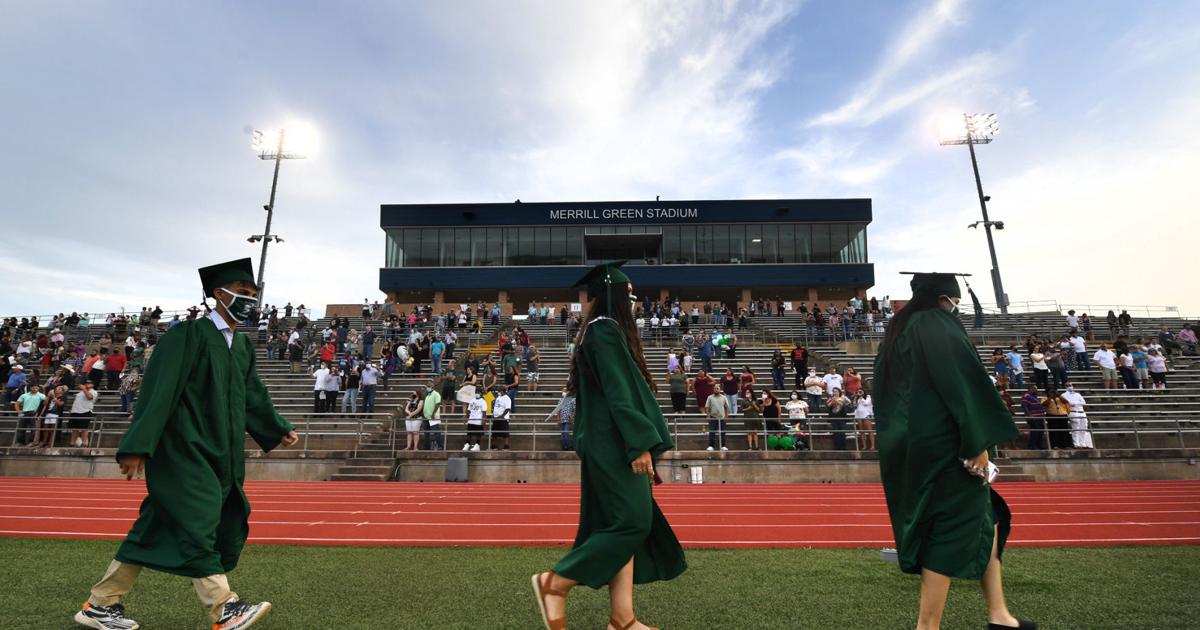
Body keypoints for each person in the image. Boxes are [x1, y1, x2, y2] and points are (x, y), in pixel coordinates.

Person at [75, 259, 297, 630]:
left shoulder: (241, 347)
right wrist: (138, 445)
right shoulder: (186, 336)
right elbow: (159, 391)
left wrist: (276, 428)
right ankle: (223, 606)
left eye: (253, 296)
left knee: (157, 524)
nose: (250, 302)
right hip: (181, 446)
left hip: (221, 450)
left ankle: (100, 604)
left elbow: (252, 396)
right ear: (218, 294)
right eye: (243, 294)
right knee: (199, 517)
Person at [873, 272, 1034, 630]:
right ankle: (926, 626)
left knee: (987, 518)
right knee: (948, 528)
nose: (956, 306)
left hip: (915, 443)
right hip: (945, 444)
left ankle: (1000, 614)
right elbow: (959, 380)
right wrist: (976, 441)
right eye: (955, 300)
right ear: (945, 296)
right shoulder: (934, 322)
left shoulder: (900, 330)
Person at [533, 262, 686, 630]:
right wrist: (638, 443)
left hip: (610, 440)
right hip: (615, 442)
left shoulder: (602, 332)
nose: (633, 298)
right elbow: (620, 392)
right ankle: (555, 583)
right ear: (613, 294)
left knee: (622, 522)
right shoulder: (604, 331)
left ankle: (622, 619)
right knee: (633, 522)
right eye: (628, 292)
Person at [1060, 382, 1093, 448]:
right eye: (1068, 385)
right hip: (1073, 412)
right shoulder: (1063, 395)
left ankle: (1082, 443)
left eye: (1070, 385)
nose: (1069, 386)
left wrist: (1075, 403)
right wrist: (1077, 403)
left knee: (1084, 428)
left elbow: (1083, 402)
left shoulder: (1078, 394)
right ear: (1065, 387)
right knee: (1076, 428)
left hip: (1082, 412)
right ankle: (1076, 444)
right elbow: (1069, 403)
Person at [67, 381, 98, 448]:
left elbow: (89, 397)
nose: (87, 384)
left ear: (92, 385)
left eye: (89, 383)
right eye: (86, 383)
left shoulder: (93, 392)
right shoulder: (79, 393)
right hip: (75, 411)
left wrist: (84, 389)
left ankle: (84, 444)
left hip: (85, 411)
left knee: (84, 428)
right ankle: (72, 443)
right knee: (74, 429)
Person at [1019, 385, 1047, 450]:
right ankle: (1032, 445)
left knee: (1040, 432)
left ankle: (1039, 445)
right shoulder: (1026, 396)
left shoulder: (1034, 396)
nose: (1037, 390)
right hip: (1034, 417)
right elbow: (1025, 406)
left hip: (1040, 417)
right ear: (1031, 389)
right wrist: (1029, 415)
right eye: (1035, 388)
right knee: (1035, 432)